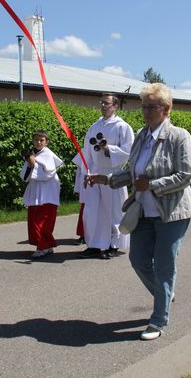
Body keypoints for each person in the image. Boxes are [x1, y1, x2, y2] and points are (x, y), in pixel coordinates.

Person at [85, 83, 191, 341]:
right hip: (142, 211)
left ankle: (158, 320)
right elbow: (131, 172)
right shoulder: (141, 136)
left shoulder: (180, 136)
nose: (145, 111)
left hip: (172, 212)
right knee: (138, 260)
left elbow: (186, 174)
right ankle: (164, 294)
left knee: (164, 265)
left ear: (166, 109)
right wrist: (105, 178)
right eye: (143, 106)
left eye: (151, 106)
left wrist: (154, 184)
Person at [79, 94, 134, 259]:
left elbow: (128, 151)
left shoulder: (122, 127)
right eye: (101, 102)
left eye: (106, 103)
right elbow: (87, 151)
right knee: (93, 210)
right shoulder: (94, 126)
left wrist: (109, 149)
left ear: (115, 106)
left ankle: (113, 244)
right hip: (95, 173)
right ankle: (95, 244)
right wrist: (85, 172)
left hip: (113, 173)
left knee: (114, 211)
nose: (103, 105)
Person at [20, 130, 63, 258]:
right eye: (36, 140)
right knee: (34, 220)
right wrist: (30, 163)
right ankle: (47, 245)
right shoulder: (33, 154)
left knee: (42, 222)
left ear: (46, 142)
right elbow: (25, 176)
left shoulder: (48, 155)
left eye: (41, 140)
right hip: (36, 193)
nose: (38, 142)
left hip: (47, 194)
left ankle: (43, 246)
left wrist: (34, 164)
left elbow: (47, 174)